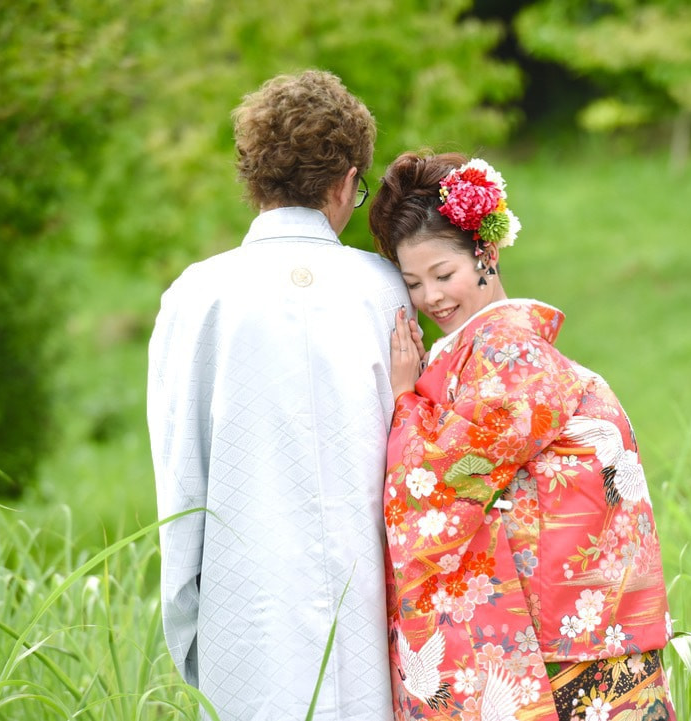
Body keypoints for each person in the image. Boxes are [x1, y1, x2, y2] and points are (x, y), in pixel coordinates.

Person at [368, 152, 676, 721]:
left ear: (484, 253)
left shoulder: (511, 353)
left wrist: (406, 399)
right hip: (569, 632)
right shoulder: (489, 351)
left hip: (565, 643)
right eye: (413, 283)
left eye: (444, 274)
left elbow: (440, 480)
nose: (432, 298)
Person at [147, 70, 408, 720]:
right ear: (347, 180)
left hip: (244, 616)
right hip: (370, 613)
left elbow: (180, 487)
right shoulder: (382, 290)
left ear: (254, 176)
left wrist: (189, 627)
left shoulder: (195, 297)